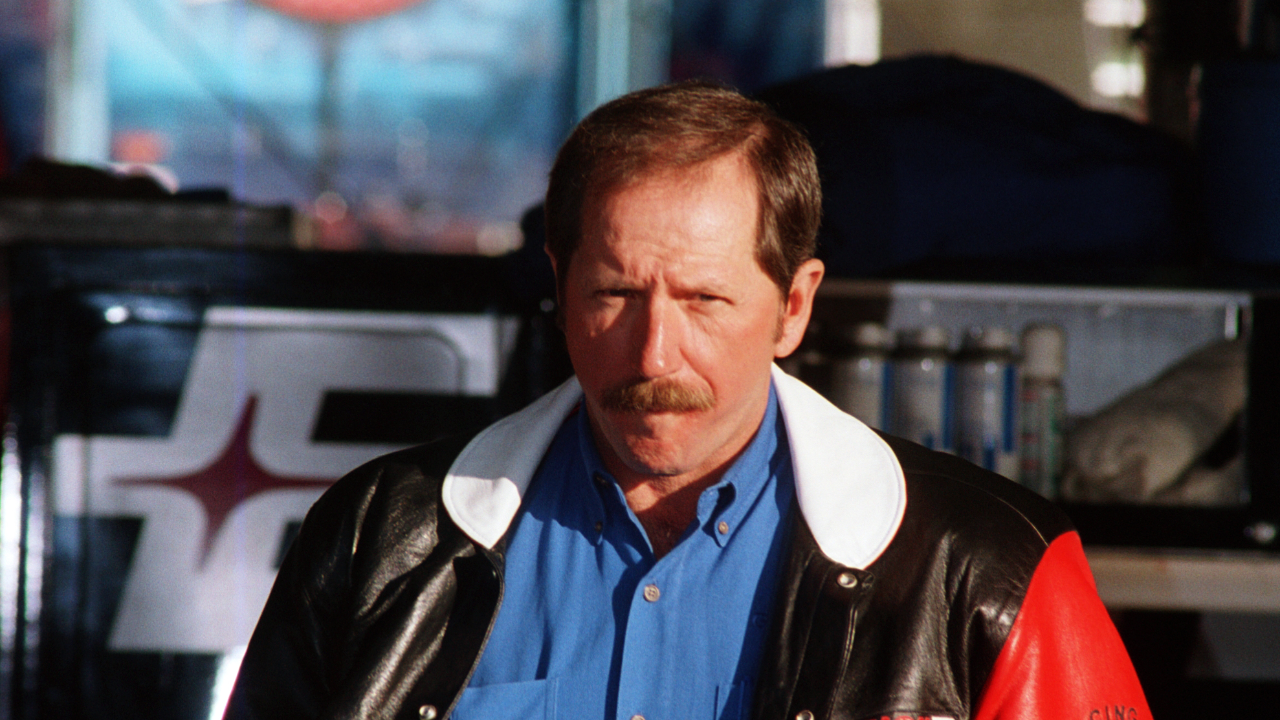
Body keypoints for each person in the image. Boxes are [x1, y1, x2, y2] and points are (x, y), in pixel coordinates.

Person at [226, 81, 1150, 720]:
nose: (654, 350)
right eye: (614, 294)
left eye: (705, 300)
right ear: (559, 287)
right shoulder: (379, 542)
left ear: (794, 306)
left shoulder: (988, 571)